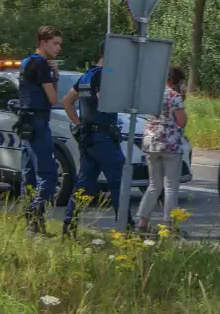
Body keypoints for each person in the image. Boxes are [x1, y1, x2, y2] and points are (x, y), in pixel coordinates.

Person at [61, 40, 132, 235]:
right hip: (103, 137)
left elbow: (67, 101)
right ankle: (126, 228)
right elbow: (106, 100)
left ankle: (69, 224)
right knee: (119, 180)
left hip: (89, 137)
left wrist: (79, 124)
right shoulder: (103, 75)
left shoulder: (87, 75)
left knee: (85, 183)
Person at [17, 26, 62, 237]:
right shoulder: (42, 65)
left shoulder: (26, 62)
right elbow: (53, 99)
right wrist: (55, 75)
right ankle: (36, 218)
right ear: (42, 43)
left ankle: (32, 226)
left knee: (28, 175)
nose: (58, 48)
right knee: (48, 175)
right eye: (55, 43)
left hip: (25, 123)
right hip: (39, 122)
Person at [135, 65, 188, 235]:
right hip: (170, 145)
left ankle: (142, 221)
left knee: (153, 185)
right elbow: (181, 122)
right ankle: (168, 226)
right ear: (176, 81)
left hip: (151, 144)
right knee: (171, 186)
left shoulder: (152, 95)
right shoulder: (175, 96)